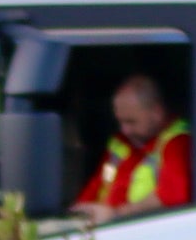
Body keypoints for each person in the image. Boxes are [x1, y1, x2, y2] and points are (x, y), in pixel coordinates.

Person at [74, 71, 189, 224]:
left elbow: (173, 196)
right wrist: (79, 213)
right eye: (120, 122)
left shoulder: (177, 142)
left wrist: (115, 214)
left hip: (139, 230)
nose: (124, 130)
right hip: (104, 229)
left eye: (131, 122)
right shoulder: (120, 143)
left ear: (156, 113)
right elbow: (99, 184)